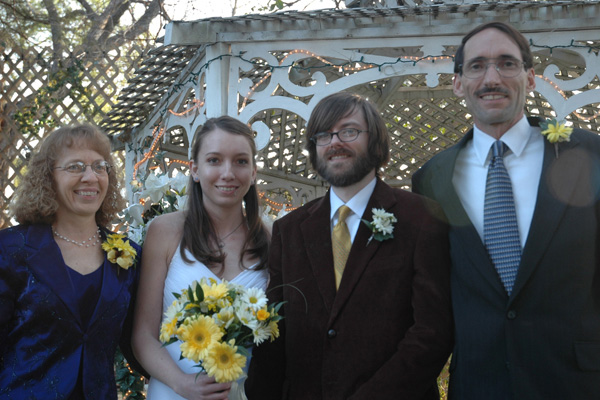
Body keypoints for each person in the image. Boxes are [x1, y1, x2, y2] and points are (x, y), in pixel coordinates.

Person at [412, 21, 600, 399]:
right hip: (479, 385)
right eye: (477, 66)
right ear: (458, 83)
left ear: (530, 78)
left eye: (507, 63)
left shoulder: (589, 154)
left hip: (577, 383)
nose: (492, 78)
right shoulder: (432, 178)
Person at [246, 92, 453, 400]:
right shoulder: (289, 230)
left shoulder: (421, 218)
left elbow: (433, 332)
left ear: (375, 140)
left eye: (349, 131)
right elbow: (275, 332)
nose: (335, 142)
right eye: (323, 135)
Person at [132, 116, 270, 400]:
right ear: (195, 169)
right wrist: (182, 384)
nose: (228, 173)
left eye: (241, 161)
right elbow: (143, 335)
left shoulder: (271, 239)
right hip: (173, 392)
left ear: (253, 172)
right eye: (214, 160)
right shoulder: (165, 231)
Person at [0, 124, 142, 399]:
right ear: (48, 177)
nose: (90, 177)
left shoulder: (129, 256)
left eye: (99, 167)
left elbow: (137, 343)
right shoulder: (10, 248)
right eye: (75, 167)